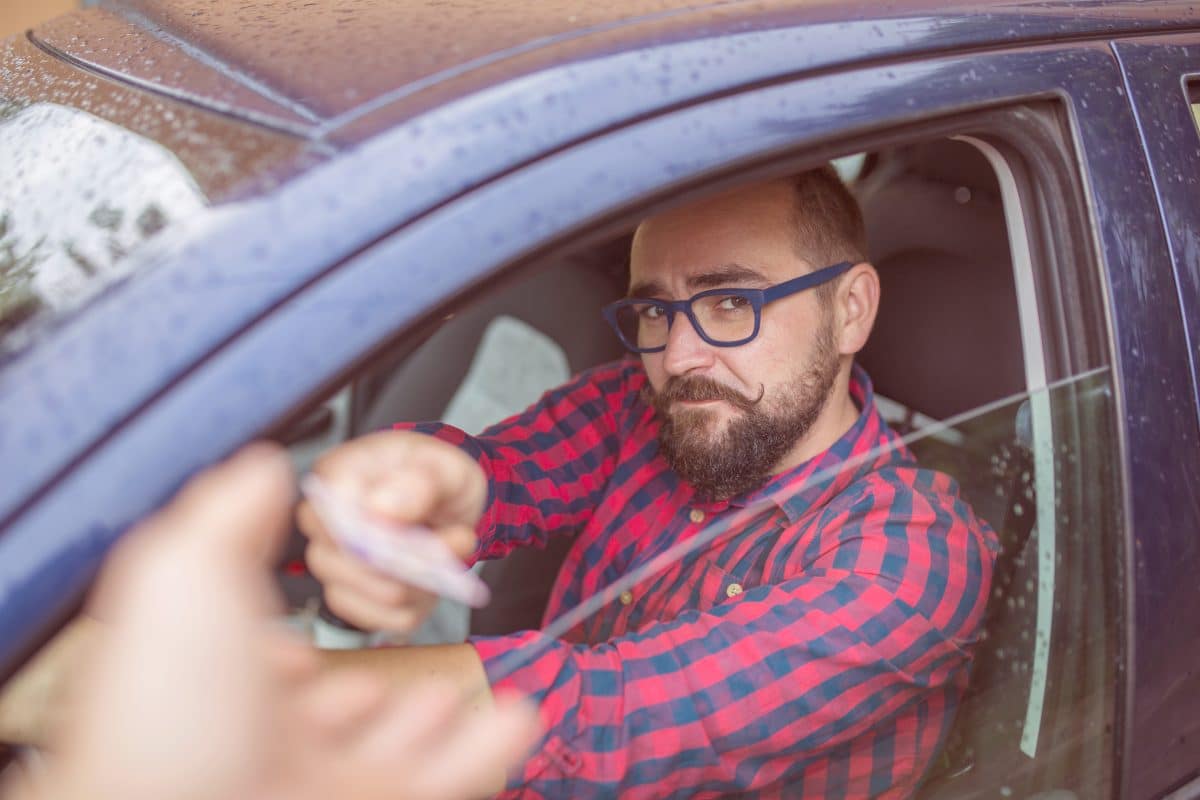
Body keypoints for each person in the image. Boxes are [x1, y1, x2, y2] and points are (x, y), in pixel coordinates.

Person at [299, 166, 1000, 798]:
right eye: (657, 311)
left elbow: (609, 714)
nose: (679, 356)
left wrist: (269, 707)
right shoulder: (638, 407)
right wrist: (410, 485)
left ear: (850, 310)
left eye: (730, 303)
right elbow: (497, 475)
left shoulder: (913, 556)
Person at [1, 445, 538, 800]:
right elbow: (513, 464)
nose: (629, 335)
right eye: (628, 308)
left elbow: (603, 709)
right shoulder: (610, 399)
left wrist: (81, 685)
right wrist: (408, 479)